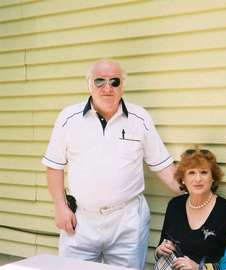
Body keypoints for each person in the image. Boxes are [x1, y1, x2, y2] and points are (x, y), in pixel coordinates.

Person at [42, 59, 181, 270]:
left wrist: (198, 193)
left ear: (122, 85)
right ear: (89, 83)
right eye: (100, 81)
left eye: (114, 81)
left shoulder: (139, 118)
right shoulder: (68, 118)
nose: (107, 88)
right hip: (81, 221)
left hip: (127, 222)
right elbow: (54, 166)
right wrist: (60, 207)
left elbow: (162, 166)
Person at [155, 148, 226, 270]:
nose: (198, 179)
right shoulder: (175, 206)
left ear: (213, 178)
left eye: (204, 172)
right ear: (183, 179)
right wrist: (160, 250)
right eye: (191, 173)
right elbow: (161, 245)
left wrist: (199, 267)